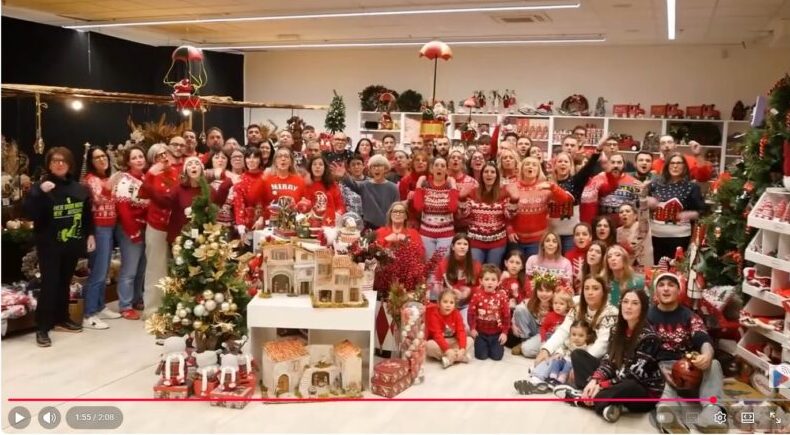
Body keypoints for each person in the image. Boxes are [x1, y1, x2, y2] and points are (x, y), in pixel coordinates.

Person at [24, 147, 95, 346]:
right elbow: (29, 213)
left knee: (64, 282)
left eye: (63, 160)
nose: (59, 163)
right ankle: (43, 327)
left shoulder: (79, 189)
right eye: (55, 160)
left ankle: (61, 318)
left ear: (70, 164)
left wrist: (90, 234)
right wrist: (37, 192)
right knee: (50, 284)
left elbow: (87, 214)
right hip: (49, 245)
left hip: (71, 244)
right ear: (49, 164)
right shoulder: (41, 186)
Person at [562, 289, 664, 423]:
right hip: (617, 377)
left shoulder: (650, 338)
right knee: (578, 355)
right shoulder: (616, 329)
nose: (628, 307)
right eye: (625, 302)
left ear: (643, 308)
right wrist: (595, 380)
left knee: (629, 385)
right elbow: (609, 360)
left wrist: (601, 385)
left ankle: (584, 398)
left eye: (634, 303)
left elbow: (632, 375)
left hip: (642, 391)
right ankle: (605, 403)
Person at [648, 272, 726, 432]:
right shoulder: (648, 316)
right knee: (654, 372)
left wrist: (707, 355)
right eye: (661, 285)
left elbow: (702, 337)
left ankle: (713, 413)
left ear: (679, 290)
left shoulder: (689, 316)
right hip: (663, 369)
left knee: (715, 364)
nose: (666, 289)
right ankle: (668, 415)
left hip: (690, 369)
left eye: (671, 285)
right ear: (656, 292)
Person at [535, 275, 618, 369]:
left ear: (604, 292)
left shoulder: (611, 312)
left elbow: (602, 345)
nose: (590, 292)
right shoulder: (577, 306)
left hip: (595, 357)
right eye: (586, 288)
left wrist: (578, 362)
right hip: (575, 349)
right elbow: (564, 330)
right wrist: (546, 349)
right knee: (550, 358)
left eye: (595, 288)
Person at [81, 146, 120, 329]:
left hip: (110, 227)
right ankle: (89, 313)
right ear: (91, 162)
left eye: (103, 156)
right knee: (97, 271)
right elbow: (98, 200)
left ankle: (100, 306)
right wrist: (110, 186)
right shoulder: (91, 180)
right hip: (98, 228)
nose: (102, 159)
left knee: (104, 270)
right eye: (97, 158)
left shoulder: (106, 177)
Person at [138, 143, 177, 319]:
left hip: (177, 226)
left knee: (178, 267)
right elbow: (142, 194)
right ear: (153, 160)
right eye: (158, 156)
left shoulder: (179, 172)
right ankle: (153, 309)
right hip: (156, 224)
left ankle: (177, 306)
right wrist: (150, 175)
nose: (164, 158)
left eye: (166, 153)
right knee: (156, 267)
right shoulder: (151, 175)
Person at [647, 152, 705, 264]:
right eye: (672, 163)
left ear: (684, 166)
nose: (675, 166)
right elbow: (642, 205)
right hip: (655, 235)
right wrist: (647, 201)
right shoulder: (655, 184)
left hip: (680, 236)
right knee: (657, 267)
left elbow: (702, 210)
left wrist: (690, 214)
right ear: (667, 165)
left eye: (679, 163)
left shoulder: (691, 187)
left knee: (676, 266)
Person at [113, 145, 150, 320]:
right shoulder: (125, 181)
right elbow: (123, 209)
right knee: (129, 269)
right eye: (134, 157)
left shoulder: (145, 178)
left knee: (141, 268)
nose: (138, 160)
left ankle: (137, 299)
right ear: (128, 161)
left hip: (145, 228)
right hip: (130, 228)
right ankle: (125, 305)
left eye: (141, 156)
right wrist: (133, 232)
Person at [509, 157, 573, 257]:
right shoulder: (512, 187)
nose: (530, 166)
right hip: (516, 239)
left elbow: (565, 200)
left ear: (538, 170)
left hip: (537, 240)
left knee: (533, 270)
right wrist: (509, 229)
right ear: (522, 168)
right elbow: (504, 211)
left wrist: (552, 187)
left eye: (534, 165)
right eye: (527, 164)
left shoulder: (545, 187)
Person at [461, 162, 518, 266]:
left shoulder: (503, 192)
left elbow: (509, 215)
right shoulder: (473, 192)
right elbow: (464, 214)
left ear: (497, 176)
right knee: (476, 270)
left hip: (497, 242)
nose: (489, 174)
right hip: (475, 241)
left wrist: (514, 200)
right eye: (486, 172)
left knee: (493, 271)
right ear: (481, 175)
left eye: (492, 172)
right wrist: (462, 198)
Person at [515, 319, 594, 395]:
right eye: (574, 335)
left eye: (581, 336)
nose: (576, 338)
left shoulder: (587, 348)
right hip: (562, 361)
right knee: (553, 360)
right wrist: (559, 353)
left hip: (570, 367)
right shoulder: (568, 342)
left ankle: (551, 381)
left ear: (587, 337)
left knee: (566, 369)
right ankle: (536, 378)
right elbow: (562, 347)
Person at [550, 144, 602, 253]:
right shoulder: (548, 183)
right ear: (554, 165)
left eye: (566, 162)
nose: (563, 164)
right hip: (552, 235)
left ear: (571, 166)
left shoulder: (576, 181)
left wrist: (597, 151)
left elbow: (588, 167)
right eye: (560, 161)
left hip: (571, 234)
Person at [167, 156, 231, 243]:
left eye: (197, 164)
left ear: (201, 169)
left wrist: (227, 183)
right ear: (185, 170)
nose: (194, 166)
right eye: (190, 164)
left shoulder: (207, 188)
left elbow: (217, 203)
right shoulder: (178, 189)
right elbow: (165, 202)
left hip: (202, 238)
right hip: (180, 237)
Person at [335, 155, 399, 230]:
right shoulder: (365, 185)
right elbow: (352, 184)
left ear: (385, 168)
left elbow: (396, 209)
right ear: (370, 170)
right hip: (368, 227)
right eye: (373, 166)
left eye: (379, 166)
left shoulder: (393, 187)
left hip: (387, 227)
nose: (376, 169)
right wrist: (343, 175)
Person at [413, 157, 459, 260]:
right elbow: (418, 207)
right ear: (431, 169)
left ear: (447, 170)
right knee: (429, 267)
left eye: (443, 166)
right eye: (436, 165)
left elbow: (452, 208)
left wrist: (453, 185)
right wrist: (419, 184)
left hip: (446, 235)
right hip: (426, 234)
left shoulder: (450, 188)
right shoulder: (425, 187)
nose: (439, 168)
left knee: (441, 266)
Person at [468, 264, 510, 361]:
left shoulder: (502, 296)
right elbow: (471, 313)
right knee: (481, 356)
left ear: (498, 282)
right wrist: (472, 328)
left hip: (497, 334)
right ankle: (483, 345)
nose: (490, 282)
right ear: (481, 281)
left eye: (493, 280)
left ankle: (493, 346)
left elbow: (506, 315)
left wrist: (504, 332)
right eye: (486, 279)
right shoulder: (477, 295)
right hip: (480, 333)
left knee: (497, 357)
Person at [511, 273, 556, 357]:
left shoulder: (557, 304)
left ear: (553, 292)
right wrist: (513, 324)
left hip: (547, 334)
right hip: (534, 330)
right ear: (536, 291)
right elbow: (518, 310)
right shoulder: (532, 301)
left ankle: (532, 347)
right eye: (541, 290)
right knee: (520, 309)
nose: (544, 294)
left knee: (527, 350)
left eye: (548, 291)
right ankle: (525, 341)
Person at [425, 289, 472, 368]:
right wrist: (447, 350)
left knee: (470, 340)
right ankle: (458, 357)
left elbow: (461, 332)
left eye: (451, 302)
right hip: (439, 342)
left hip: (453, 340)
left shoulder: (456, 314)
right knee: (428, 345)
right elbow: (437, 335)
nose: (448, 305)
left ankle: (450, 358)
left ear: (454, 305)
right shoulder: (434, 315)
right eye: (445, 302)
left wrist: (462, 348)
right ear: (439, 303)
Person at [433, 233, 481, 308]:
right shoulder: (443, 264)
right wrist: (449, 292)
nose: (462, 247)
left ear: (468, 248)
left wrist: (469, 291)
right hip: (447, 304)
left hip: (468, 304)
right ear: (452, 247)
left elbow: (481, 287)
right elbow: (436, 285)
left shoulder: (476, 265)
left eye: (465, 244)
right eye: (459, 243)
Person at [597, 153, 641, 226]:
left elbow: (638, 208)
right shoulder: (599, 179)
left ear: (624, 165)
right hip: (604, 227)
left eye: (619, 162)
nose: (616, 165)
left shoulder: (633, 183)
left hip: (625, 227)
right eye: (613, 162)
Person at [232, 147, 264, 240]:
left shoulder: (266, 177)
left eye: (255, 157)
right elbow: (239, 204)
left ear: (260, 160)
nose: (251, 160)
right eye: (249, 157)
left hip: (266, 221)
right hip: (247, 223)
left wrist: (262, 217)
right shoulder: (240, 180)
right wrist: (241, 227)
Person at [304, 156, 345, 226]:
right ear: (310, 167)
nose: (317, 167)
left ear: (325, 168)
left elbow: (340, 206)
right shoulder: (305, 184)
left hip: (329, 223)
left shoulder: (332, 185)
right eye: (314, 164)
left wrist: (336, 216)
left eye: (320, 164)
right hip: (309, 223)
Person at [617, 202, 653, 272]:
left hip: (644, 267)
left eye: (627, 211)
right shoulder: (618, 231)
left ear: (635, 216)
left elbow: (644, 216)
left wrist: (643, 199)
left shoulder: (642, 226)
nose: (624, 214)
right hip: (627, 268)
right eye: (621, 212)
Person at [565, 223, 593, 293]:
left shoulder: (594, 253)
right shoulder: (568, 255)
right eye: (577, 234)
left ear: (590, 237)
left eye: (584, 234)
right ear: (573, 238)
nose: (581, 237)